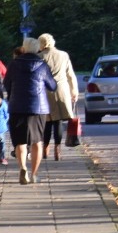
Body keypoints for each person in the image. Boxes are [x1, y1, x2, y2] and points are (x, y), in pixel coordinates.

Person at [3, 37, 56, 185]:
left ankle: (22, 168)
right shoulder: (42, 65)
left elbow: (6, 84)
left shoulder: (14, 64)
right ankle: (34, 173)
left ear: (24, 48)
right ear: (38, 49)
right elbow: (52, 86)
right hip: (38, 108)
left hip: (17, 106)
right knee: (37, 141)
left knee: (20, 141)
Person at [38, 33, 78, 161]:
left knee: (47, 121)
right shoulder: (63, 55)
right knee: (58, 121)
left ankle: (45, 148)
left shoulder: (39, 57)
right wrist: (74, 91)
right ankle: (57, 149)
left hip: (45, 91)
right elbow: (70, 75)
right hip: (61, 90)